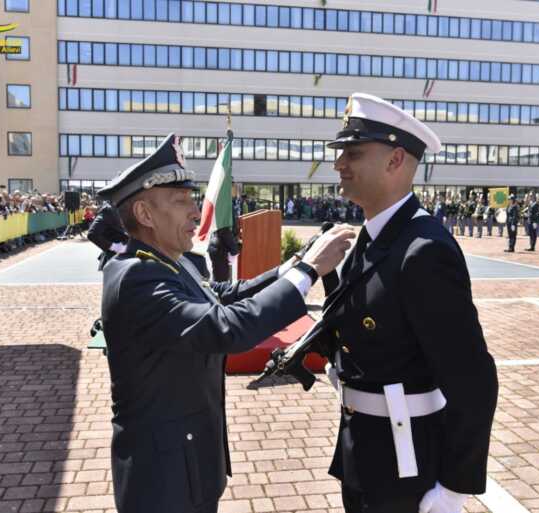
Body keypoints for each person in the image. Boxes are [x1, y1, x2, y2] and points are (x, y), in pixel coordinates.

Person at [95, 133, 354, 513]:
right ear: (145, 215)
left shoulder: (167, 261)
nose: (195, 212)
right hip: (162, 480)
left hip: (187, 465)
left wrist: (293, 264)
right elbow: (224, 327)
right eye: (181, 201)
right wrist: (309, 271)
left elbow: (224, 294)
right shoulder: (137, 276)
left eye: (193, 199)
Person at [319, 92, 498, 513]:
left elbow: (474, 381)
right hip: (364, 452)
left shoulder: (423, 250)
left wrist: (454, 487)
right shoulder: (373, 237)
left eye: (353, 153)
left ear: (395, 160)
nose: (339, 163)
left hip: (406, 466)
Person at [87, 201, 129, 271]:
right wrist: (114, 247)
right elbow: (92, 234)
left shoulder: (123, 206)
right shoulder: (108, 210)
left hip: (131, 252)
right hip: (116, 258)